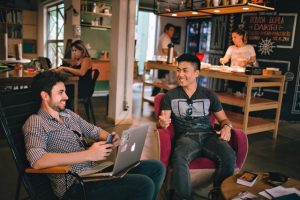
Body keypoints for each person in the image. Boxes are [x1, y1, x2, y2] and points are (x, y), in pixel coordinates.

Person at [23, 71, 165, 200]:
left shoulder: (68, 114)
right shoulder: (36, 121)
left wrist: (110, 138)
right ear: (45, 96)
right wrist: (88, 154)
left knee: (156, 168)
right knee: (144, 185)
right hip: (74, 186)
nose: (66, 97)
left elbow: (94, 131)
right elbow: (37, 160)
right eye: (60, 92)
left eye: (65, 91)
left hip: (94, 173)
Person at [158, 54, 236, 200]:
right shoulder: (170, 95)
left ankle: (219, 195)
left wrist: (227, 127)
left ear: (196, 73)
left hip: (209, 136)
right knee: (179, 158)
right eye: (178, 70)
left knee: (229, 155)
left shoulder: (209, 95)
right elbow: (164, 119)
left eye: (185, 70)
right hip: (186, 137)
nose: (180, 74)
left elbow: (224, 119)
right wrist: (162, 123)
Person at [56, 40, 93, 110]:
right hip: (77, 85)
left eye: (75, 50)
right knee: (61, 89)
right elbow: (73, 71)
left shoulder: (86, 59)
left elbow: (81, 72)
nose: (73, 53)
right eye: (72, 51)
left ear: (82, 50)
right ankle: (65, 111)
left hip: (83, 88)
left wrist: (65, 68)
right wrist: (60, 69)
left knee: (63, 91)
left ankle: (68, 112)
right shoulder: (78, 60)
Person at [220, 29, 256, 93]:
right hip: (233, 73)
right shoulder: (231, 48)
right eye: (232, 37)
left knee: (241, 93)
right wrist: (222, 60)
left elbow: (253, 60)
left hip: (244, 74)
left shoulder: (249, 47)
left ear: (241, 36)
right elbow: (226, 59)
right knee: (231, 93)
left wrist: (247, 62)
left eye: (235, 37)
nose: (233, 39)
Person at [152, 23, 176, 96]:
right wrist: (174, 53)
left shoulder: (164, 37)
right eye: (171, 30)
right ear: (166, 30)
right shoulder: (166, 38)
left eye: (173, 30)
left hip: (161, 62)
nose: (173, 32)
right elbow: (165, 50)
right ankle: (157, 96)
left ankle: (156, 96)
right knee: (163, 81)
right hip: (164, 62)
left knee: (162, 81)